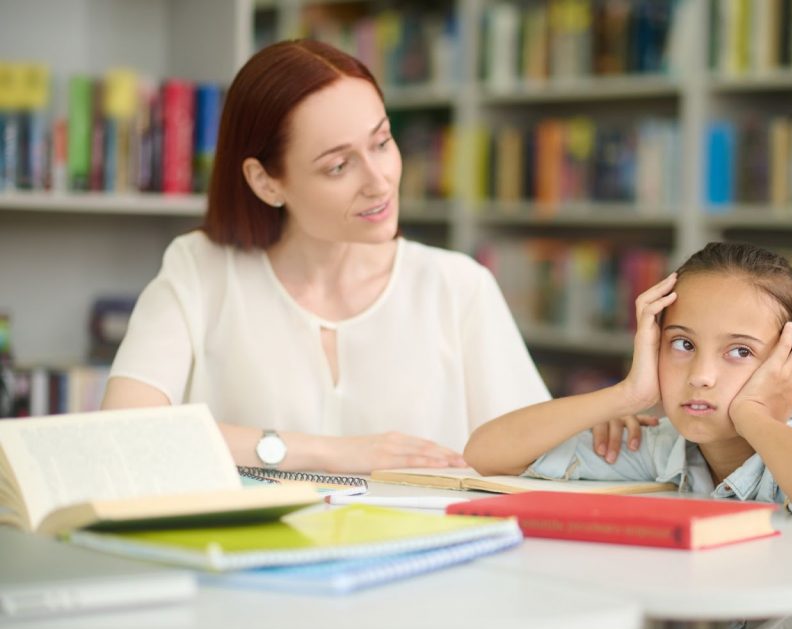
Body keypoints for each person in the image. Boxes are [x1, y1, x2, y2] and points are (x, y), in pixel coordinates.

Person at [100, 39, 560, 474]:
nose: (379, 181)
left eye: (382, 143)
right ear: (266, 182)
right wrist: (333, 453)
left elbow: (535, 459)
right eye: (339, 165)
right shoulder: (200, 270)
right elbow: (126, 432)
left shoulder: (459, 286)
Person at [465, 240, 792, 629]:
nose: (701, 376)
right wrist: (627, 394)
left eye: (739, 352)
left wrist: (752, 414)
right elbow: (487, 453)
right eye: (682, 344)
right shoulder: (664, 448)